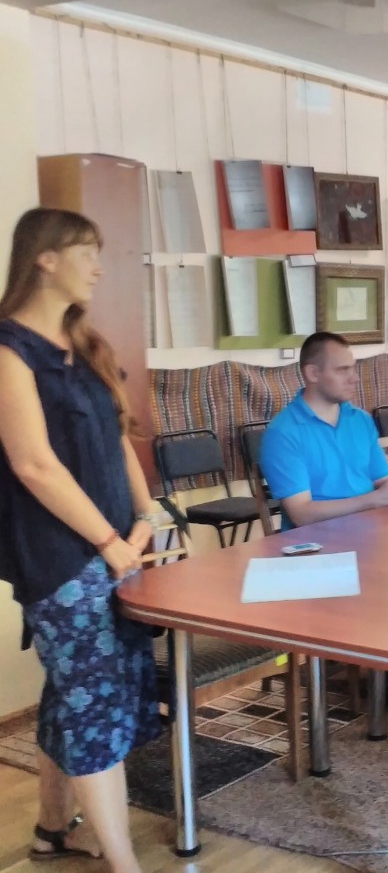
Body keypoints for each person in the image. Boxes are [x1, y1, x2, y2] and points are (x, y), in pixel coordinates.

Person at [0, 208, 161, 872]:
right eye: (86, 252)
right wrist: (109, 541)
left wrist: (147, 515)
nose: (98, 266)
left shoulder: (84, 344)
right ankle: (123, 863)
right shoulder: (9, 352)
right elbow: (33, 464)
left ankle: (51, 831)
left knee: (82, 694)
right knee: (94, 704)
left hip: (116, 547)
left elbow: (118, 439)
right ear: (45, 258)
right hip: (63, 560)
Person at [259, 332, 388, 530]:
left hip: (371, 530)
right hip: (318, 541)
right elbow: (301, 514)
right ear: (313, 373)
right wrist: (375, 499)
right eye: (343, 370)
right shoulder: (283, 433)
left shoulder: (360, 420)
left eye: (353, 368)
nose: (355, 378)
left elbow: (382, 479)